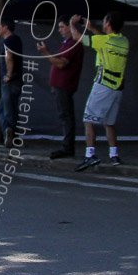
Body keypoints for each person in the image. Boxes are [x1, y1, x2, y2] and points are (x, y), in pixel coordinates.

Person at [71, 11, 130, 169]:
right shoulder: (123, 41)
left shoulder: (103, 41)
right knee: (109, 123)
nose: (102, 24)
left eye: (104, 21)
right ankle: (114, 155)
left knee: (89, 120)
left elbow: (77, 37)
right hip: (118, 87)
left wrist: (72, 23)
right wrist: (91, 28)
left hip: (103, 84)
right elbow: (104, 39)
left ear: (108, 24)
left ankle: (90, 155)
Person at [37, 18, 84, 159]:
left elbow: (61, 63)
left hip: (64, 85)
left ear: (71, 28)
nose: (60, 30)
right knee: (64, 115)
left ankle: (68, 147)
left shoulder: (74, 44)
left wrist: (46, 52)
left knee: (66, 116)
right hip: (60, 84)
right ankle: (67, 145)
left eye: (62, 27)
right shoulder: (67, 44)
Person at [0, 19, 25, 147]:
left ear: (6, 27)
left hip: (11, 80)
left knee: (7, 109)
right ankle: (11, 133)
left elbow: (9, 57)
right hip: (17, 79)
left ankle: (10, 134)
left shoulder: (8, 41)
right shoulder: (17, 40)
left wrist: (9, 74)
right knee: (7, 107)